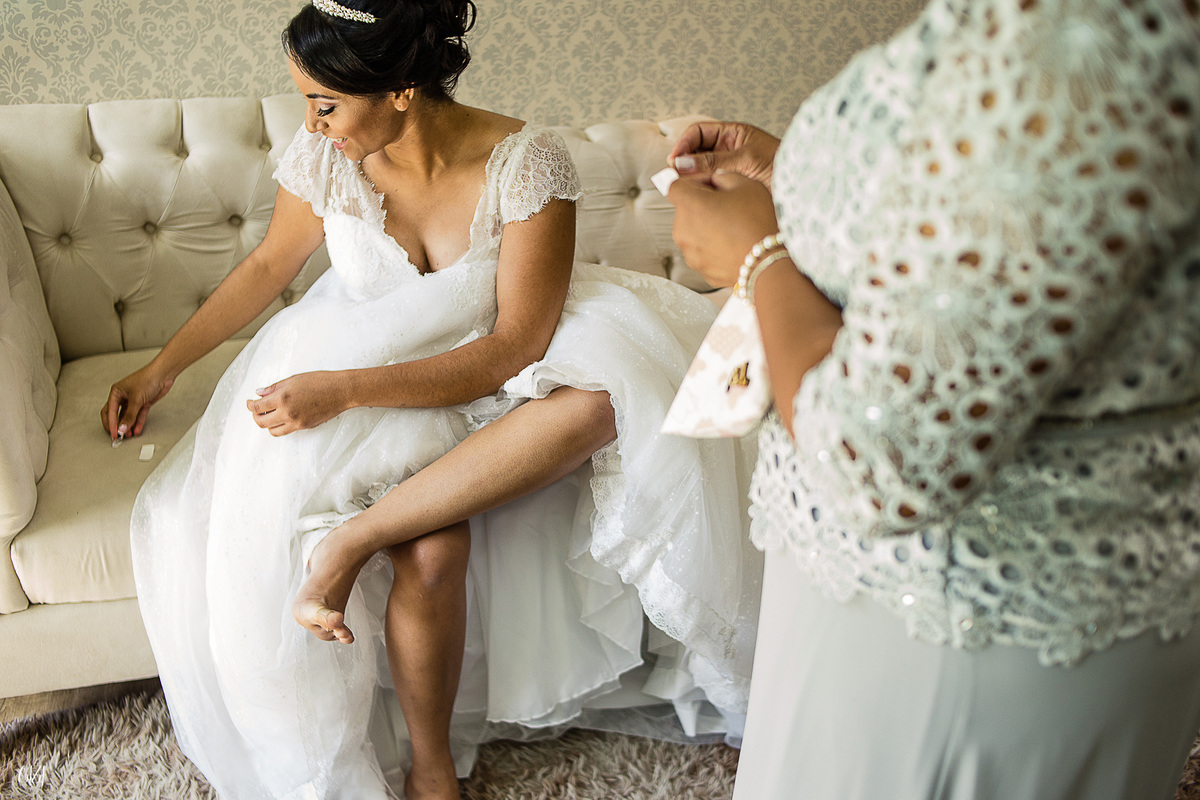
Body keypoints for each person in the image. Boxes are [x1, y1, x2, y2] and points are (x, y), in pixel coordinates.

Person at [106, 1, 760, 798]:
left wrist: (343, 393)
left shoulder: (527, 163)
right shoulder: (325, 159)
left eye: (326, 104)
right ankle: (432, 767)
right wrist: (161, 370)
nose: (312, 126)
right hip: (356, 354)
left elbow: (514, 346)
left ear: (402, 91)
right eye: (307, 101)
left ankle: (349, 548)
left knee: (607, 400)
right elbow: (266, 269)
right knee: (435, 549)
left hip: (490, 361)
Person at [665, 0, 1200, 798]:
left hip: (969, 626)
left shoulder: (1082, 52)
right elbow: (980, 223)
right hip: (883, 596)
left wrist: (759, 256)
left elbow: (883, 462)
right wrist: (803, 178)